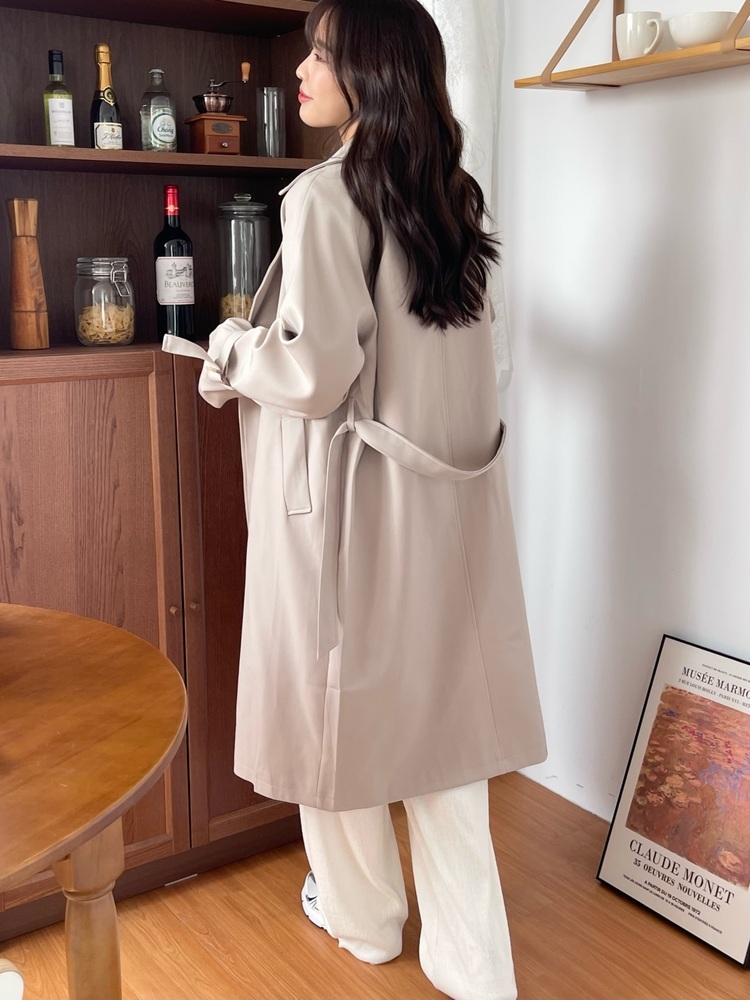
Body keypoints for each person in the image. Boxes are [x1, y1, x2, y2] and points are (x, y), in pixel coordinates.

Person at [164, 1, 546, 997]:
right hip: (446, 505)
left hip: (350, 502)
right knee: (444, 733)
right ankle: (474, 963)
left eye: (322, 55)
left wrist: (230, 347)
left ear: (371, 72)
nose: (301, 71)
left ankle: (366, 920)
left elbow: (314, 370)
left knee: (330, 716)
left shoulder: (325, 197)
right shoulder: (451, 192)